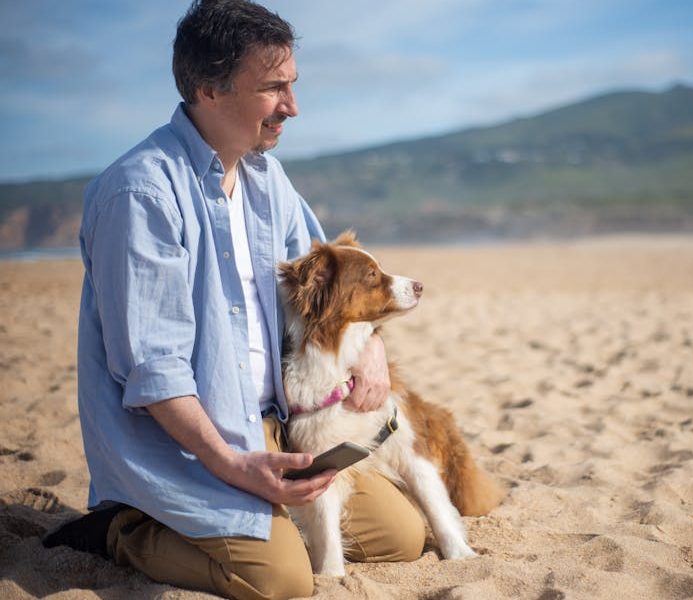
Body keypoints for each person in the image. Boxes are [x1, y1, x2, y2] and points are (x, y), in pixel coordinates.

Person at [42, 1, 426, 598]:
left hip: (278, 430)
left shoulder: (268, 180)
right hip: (191, 450)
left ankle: (259, 524)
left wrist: (372, 344)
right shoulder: (141, 194)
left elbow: (330, 292)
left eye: (292, 85)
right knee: (280, 581)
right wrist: (234, 465)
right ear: (209, 89)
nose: (292, 107)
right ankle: (124, 528)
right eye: (274, 88)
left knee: (403, 537)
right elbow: (154, 373)